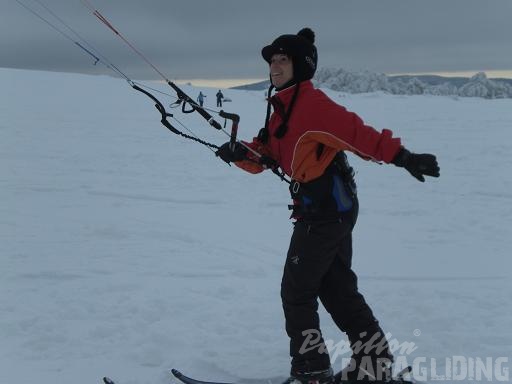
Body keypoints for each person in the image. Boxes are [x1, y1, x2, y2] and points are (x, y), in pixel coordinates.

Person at [215, 28, 439, 384]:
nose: (274, 66)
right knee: (336, 288)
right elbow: (271, 154)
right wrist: (240, 153)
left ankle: (312, 370)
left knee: (297, 290)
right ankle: (374, 365)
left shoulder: (312, 105)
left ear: (300, 66)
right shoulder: (282, 106)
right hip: (326, 208)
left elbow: (357, 134)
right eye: (272, 60)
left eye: (282, 59)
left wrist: (403, 156)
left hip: (326, 211)